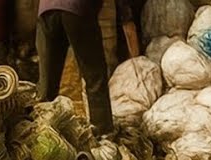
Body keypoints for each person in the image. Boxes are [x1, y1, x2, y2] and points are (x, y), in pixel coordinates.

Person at [36, 0, 142, 135]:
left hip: (46, 10)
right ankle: (103, 133)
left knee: (47, 82)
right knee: (95, 77)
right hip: (76, 8)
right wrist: (127, 18)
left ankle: (41, 131)